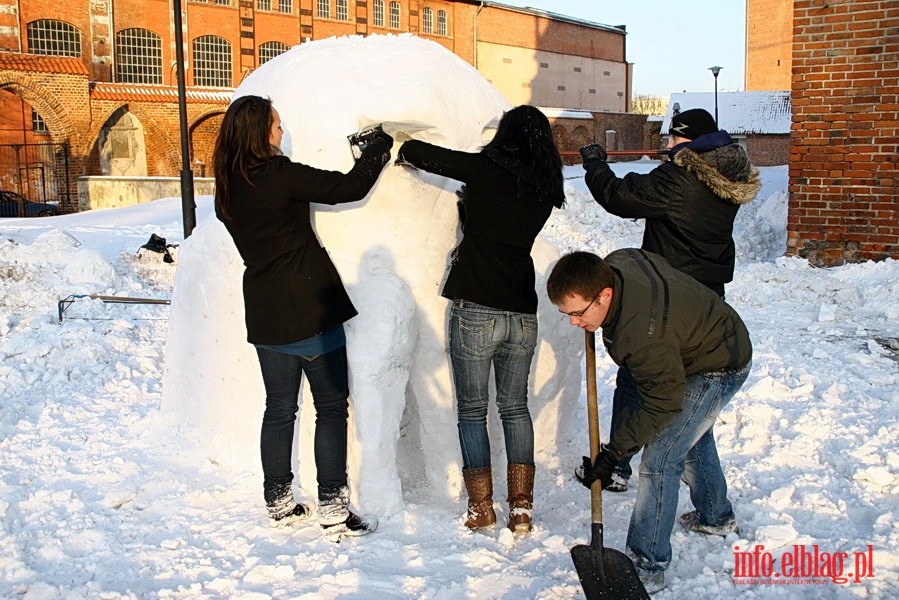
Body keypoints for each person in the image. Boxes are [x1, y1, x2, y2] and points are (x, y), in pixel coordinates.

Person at [213, 95, 393, 540]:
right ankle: (333, 506)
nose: (280, 130)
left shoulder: (227, 185)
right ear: (257, 131)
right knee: (330, 408)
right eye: (275, 124)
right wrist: (377, 152)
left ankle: (278, 500)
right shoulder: (279, 175)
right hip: (309, 307)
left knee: (279, 409)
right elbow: (349, 188)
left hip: (265, 309)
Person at [396, 105, 565, 533]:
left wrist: (401, 141)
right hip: (522, 310)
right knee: (514, 408)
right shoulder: (545, 186)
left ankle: (481, 507)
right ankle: (522, 507)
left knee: (473, 410)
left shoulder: (486, 169)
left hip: (476, 307)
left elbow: (423, 153)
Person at [546, 249, 752, 594]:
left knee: (660, 460)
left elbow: (663, 401)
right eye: (566, 314)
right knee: (689, 439)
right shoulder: (617, 264)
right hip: (694, 345)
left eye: (578, 313)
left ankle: (647, 565)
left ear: (604, 294)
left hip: (718, 363)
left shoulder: (643, 334)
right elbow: (640, 258)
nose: (573, 322)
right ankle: (716, 517)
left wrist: (615, 454)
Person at [578, 108, 761, 492]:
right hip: (706, 299)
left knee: (638, 381)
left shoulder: (679, 179)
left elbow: (619, 196)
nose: (666, 146)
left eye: (672, 140)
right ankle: (711, 505)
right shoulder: (725, 175)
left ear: (688, 141)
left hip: (668, 300)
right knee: (687, 410)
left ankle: (616, 465)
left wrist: (595, 163)